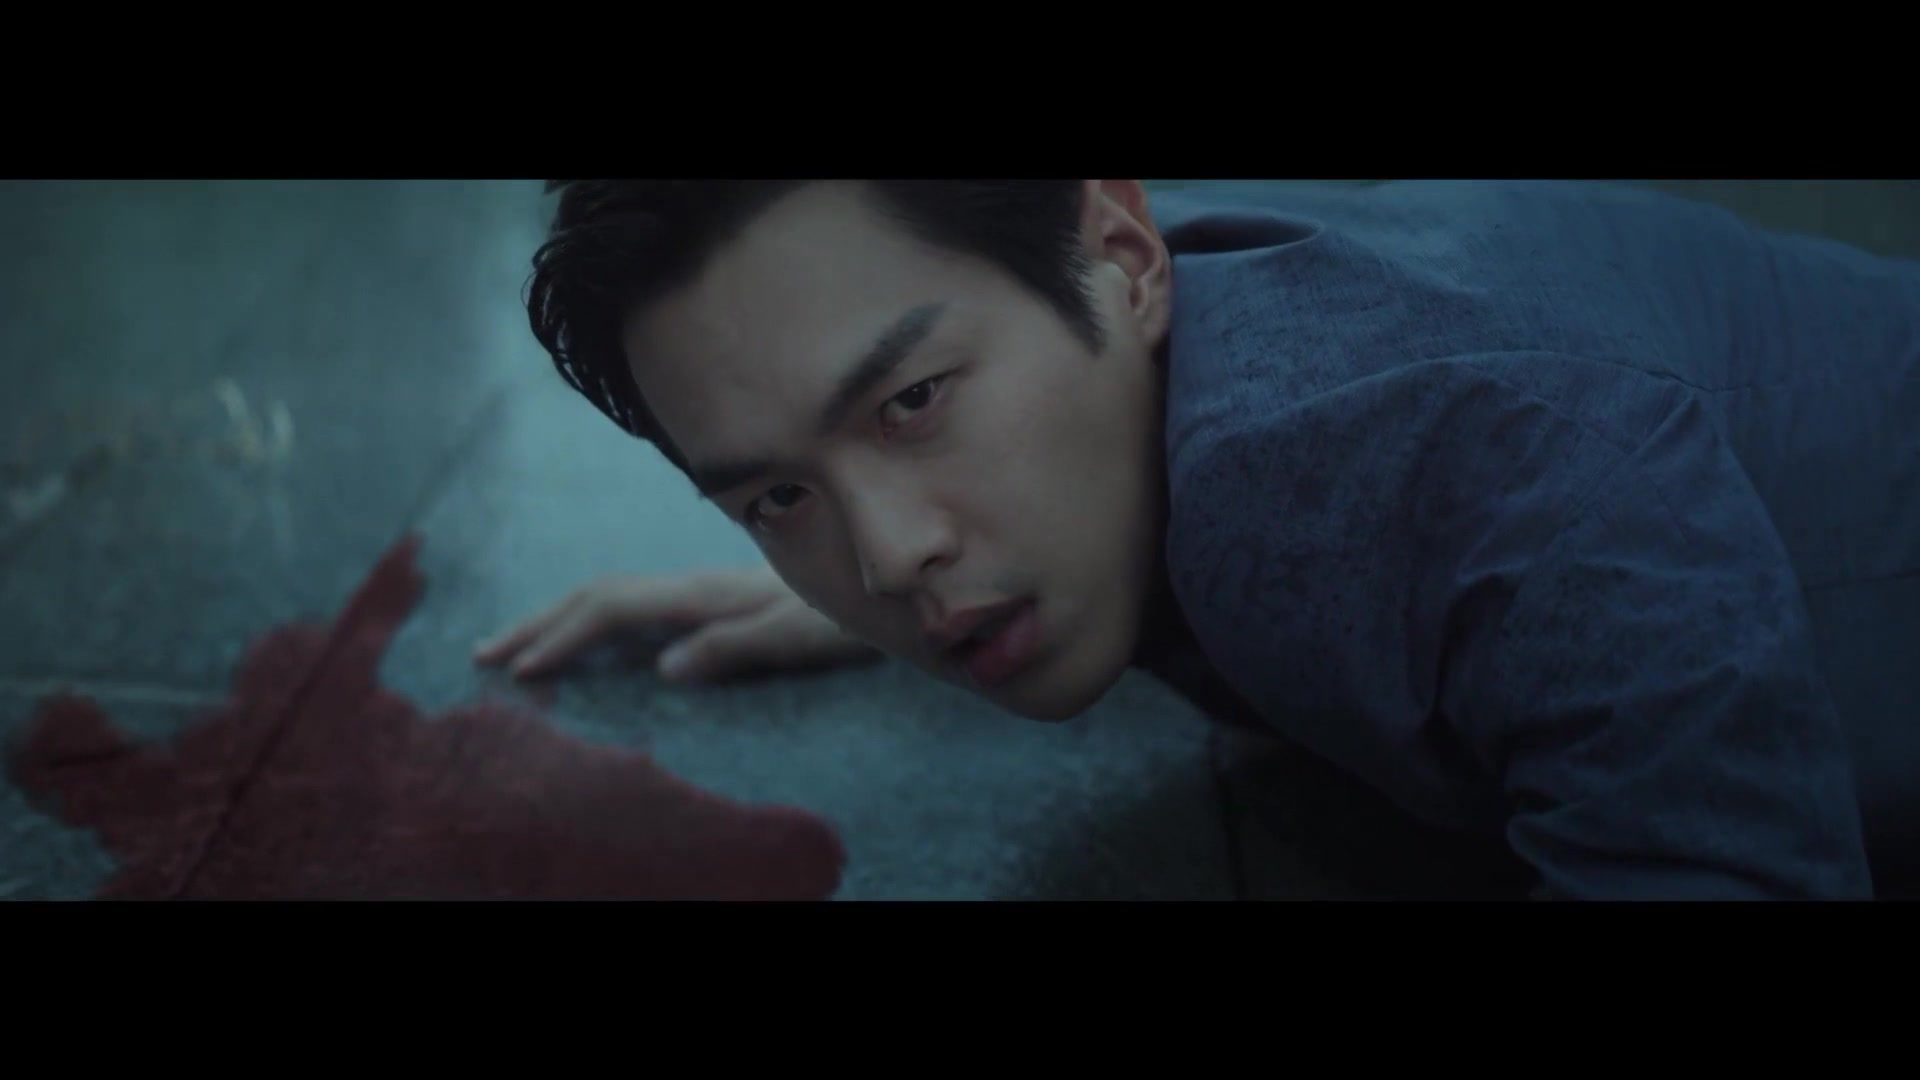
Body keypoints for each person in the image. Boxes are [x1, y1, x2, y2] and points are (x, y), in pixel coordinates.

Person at [474, 179, 1920, 900]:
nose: (889, 558)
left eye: (910, 402)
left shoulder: (1424, 460)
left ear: (1121, 256)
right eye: (778, 496)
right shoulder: (1109, 320)